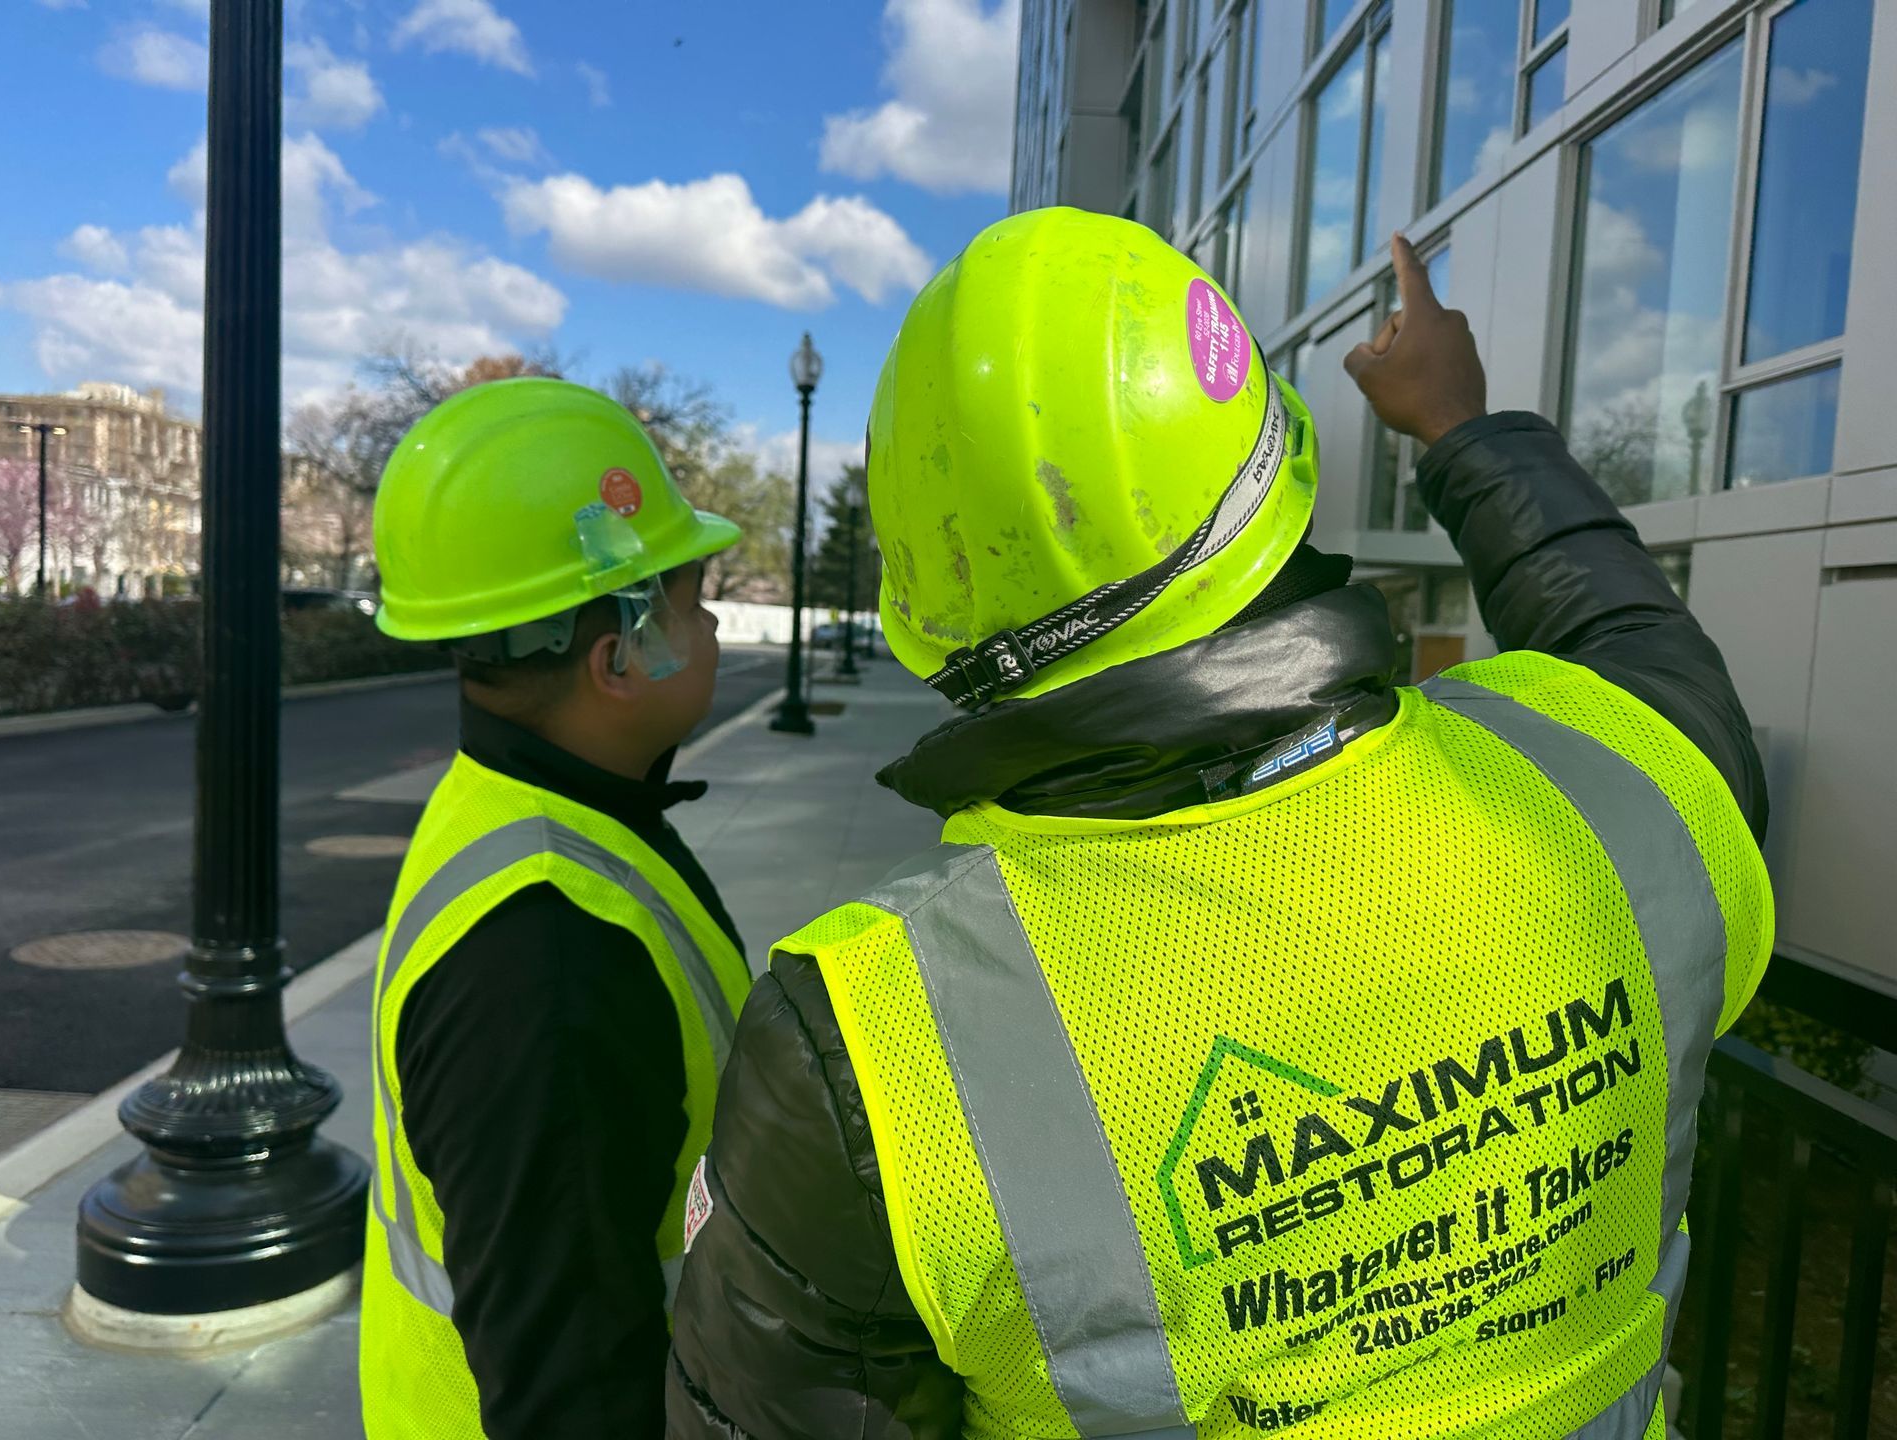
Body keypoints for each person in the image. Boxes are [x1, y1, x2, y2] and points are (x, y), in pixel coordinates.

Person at [666, 210, 1772, 1438]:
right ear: (1272, 478)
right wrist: (1463, 429)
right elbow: (1631, 638)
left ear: (936, 608)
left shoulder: (873, 1046)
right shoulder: (1615, 778)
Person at [357, 377, 752, 1438]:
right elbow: (571, 1396)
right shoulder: (548, 965)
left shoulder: (517, 805)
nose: (709, 614)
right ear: (620, 657)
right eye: (686, 590)